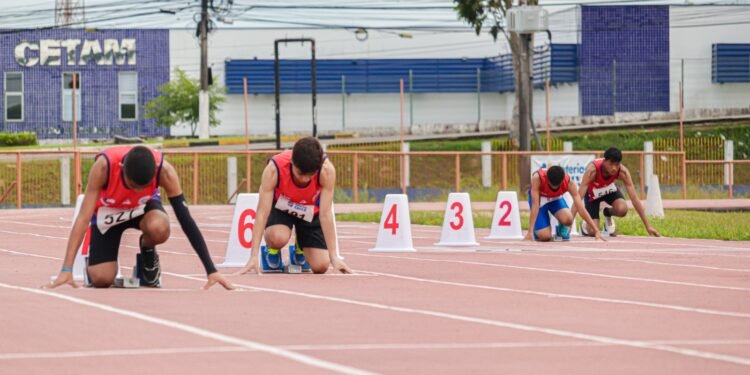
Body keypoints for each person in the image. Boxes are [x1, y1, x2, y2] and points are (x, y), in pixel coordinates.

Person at [44, 145, 233, 290]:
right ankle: (94, 262)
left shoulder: (165, 171)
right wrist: (66, 270)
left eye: (143, 186)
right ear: (121, 168)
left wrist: (211, 270)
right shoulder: (103, 167)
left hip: (143, 210)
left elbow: (186, 219)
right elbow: (83, 218)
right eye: (133, 185)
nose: (137, 190)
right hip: (109, 213)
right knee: (102, 279)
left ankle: (147, 250)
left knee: (160, 227)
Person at [238, 136, 351, 275]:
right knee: (277, 238)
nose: (304, 179)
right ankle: (271, 250)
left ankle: (300, 245)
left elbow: (326, 214)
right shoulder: (274, 169)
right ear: (292, 162)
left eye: (309, 176)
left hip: (310, 211)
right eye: (299, 173)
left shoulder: (326, 171)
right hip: (282, 207)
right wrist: (253, 256)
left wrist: (334, 256)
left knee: (321, 266)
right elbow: (262, 212)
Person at [572, 147, 661, 237]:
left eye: (617, 164)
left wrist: (648, 226)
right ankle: (585, 226)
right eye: (611, 164)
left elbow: (634, 199)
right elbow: (578, 199)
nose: (614, 168)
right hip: (592, 193)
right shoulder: (592, 171)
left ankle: (607, 213)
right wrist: (568, 225)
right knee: (592, 232)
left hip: (608, 190)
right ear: (604, 161)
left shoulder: (623, 172)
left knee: (622, 209)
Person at [525, 165, 606, 242]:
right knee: (545, 237)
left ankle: (560, 229)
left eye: (557, 186)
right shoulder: (537, 178)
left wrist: (596, 231)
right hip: (540, 200)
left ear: (562, 181)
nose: (554, 188)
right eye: (551, 186)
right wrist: (530, 231)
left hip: (555, 199)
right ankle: (538, 231)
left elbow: (581, 208)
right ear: (547, 179)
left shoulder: (569, 183)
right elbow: (535, 205)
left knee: (569, 219)